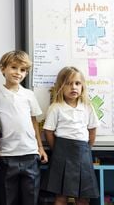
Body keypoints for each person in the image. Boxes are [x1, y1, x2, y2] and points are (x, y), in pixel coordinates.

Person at [0, 50, 48, 205]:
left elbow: (34, 121)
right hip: (7, 156)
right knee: (8, 199)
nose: (18, 73)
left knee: (31, 198)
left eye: (23, 70)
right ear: (3, 68)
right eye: (14, 67)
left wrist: (40, 147)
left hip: (30, 154)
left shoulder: (29, 94)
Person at [43, 66, 99, 205]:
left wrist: (86, 148)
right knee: (61, 196)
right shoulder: (56, 107)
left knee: (83, 196)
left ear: (82, 87)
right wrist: (57, 149)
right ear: (61, 86)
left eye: (77, 83)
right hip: (61, 152)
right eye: (68, 83)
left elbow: (92, 130)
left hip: (83, 152)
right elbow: (48, 132)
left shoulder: (87, 107)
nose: (73, 87)